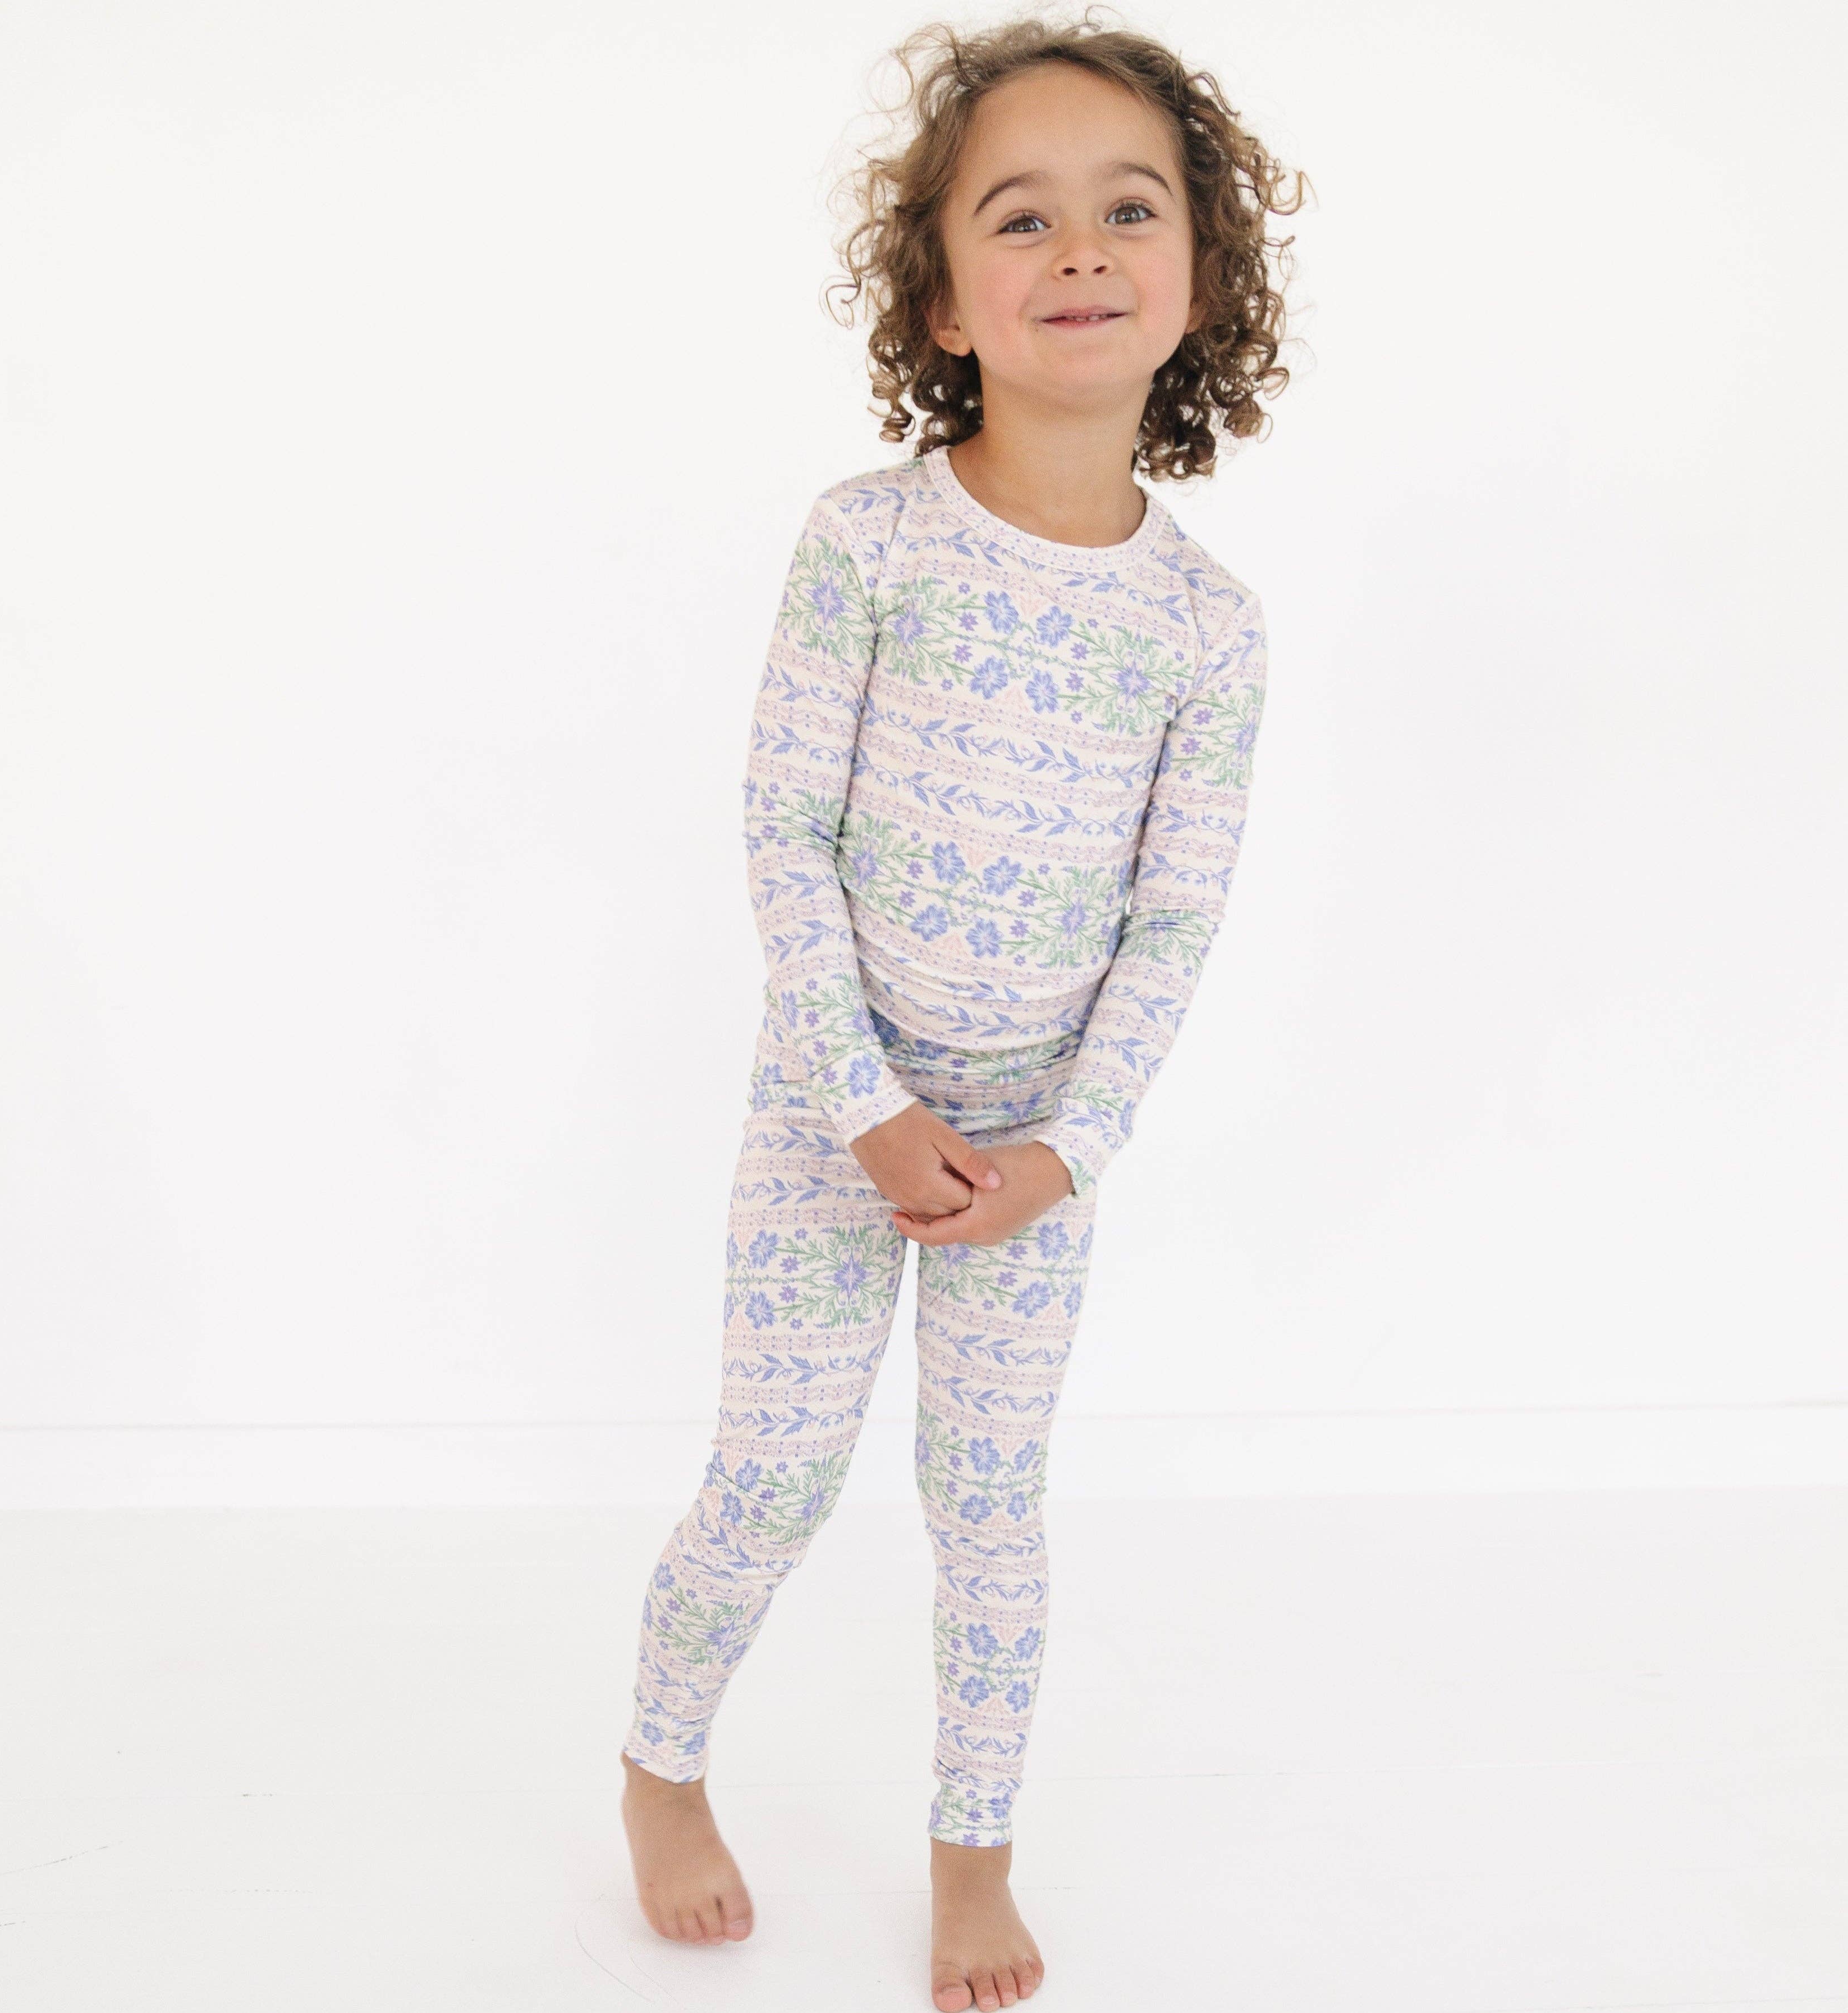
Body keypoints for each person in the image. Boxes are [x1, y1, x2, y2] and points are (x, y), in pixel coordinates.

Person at [616, 13, 1304, 2009]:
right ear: (939, 299)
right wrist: (858, 1102)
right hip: (827, 1113)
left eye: (1129, 210)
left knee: (988, 1509)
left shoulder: (1209, 629)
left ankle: (972, 1856)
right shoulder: (868, 540)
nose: (1078, 247)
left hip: (1031, 1153)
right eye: (1019, 216)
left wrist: (1061, 1153)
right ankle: (660, 1767)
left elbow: (1174, 922)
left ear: (1200, 278)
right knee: (774, 1473)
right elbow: (784, 832)